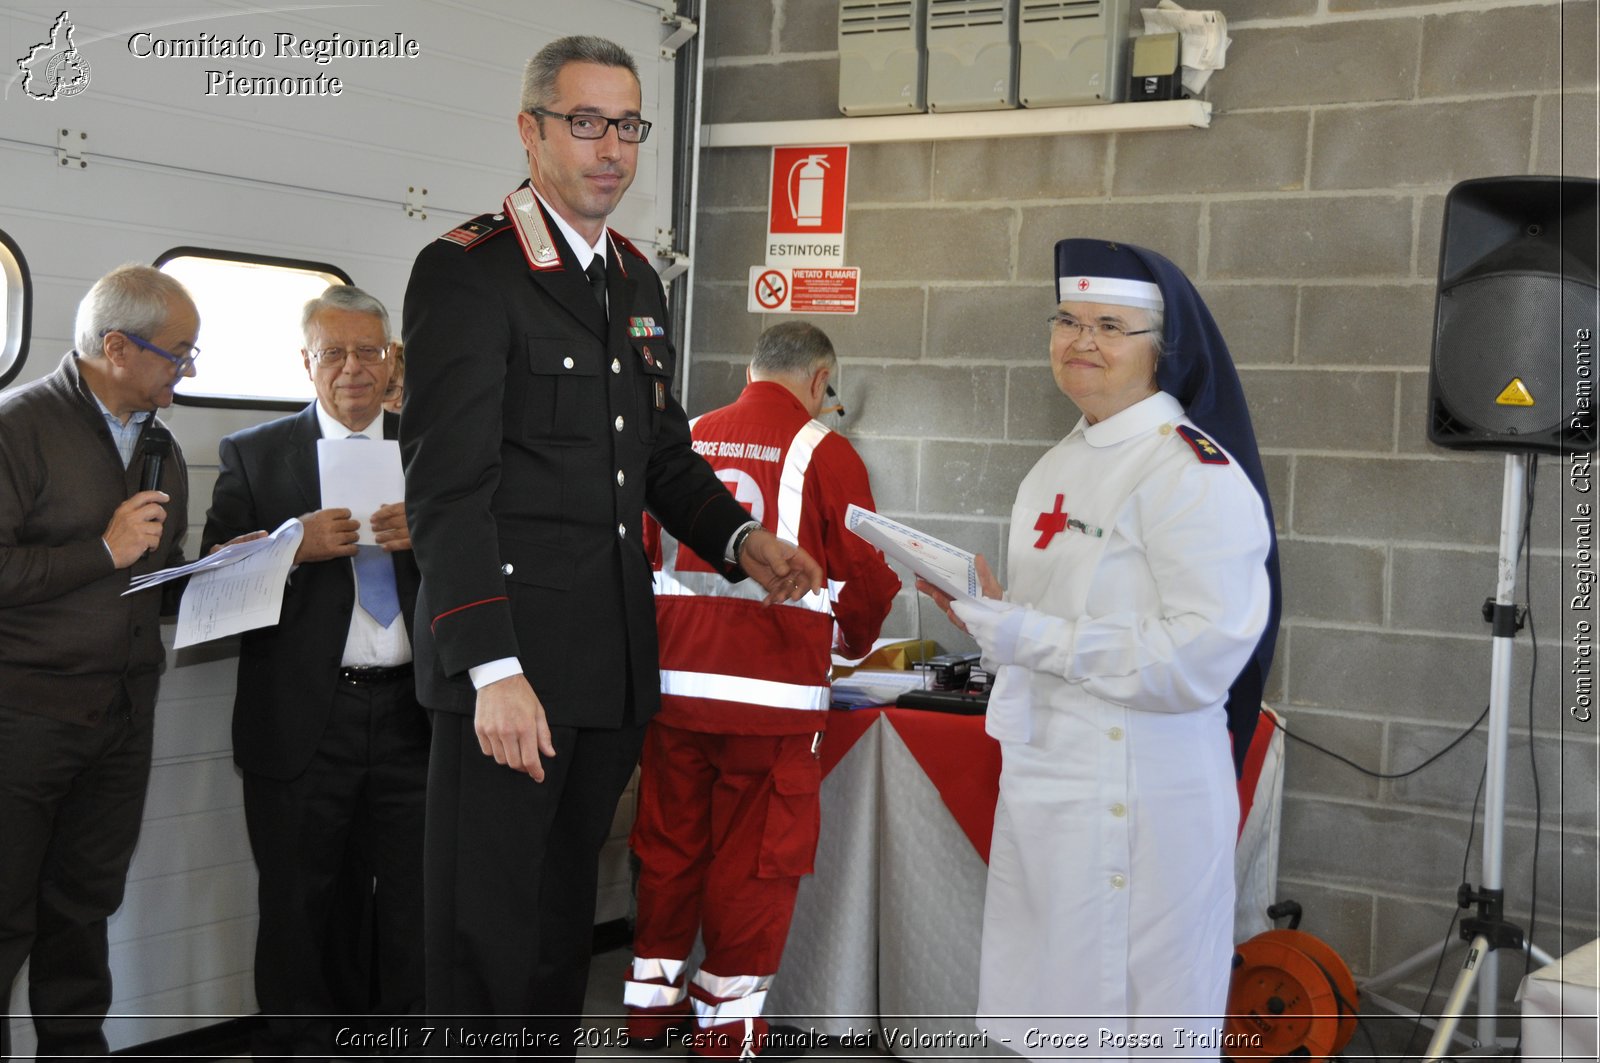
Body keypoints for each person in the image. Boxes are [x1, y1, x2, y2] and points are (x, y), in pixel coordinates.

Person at [398, 35, 822, 1050]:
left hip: (607, 657)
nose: (610, 149)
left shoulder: (634, 280)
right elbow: (447, 491)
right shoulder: (469, 273)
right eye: (584, 123)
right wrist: (491, 665)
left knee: (555, 924)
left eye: (626, 125)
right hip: (508, 665)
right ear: (532, 130)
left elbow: (659, 457)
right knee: (482, 928)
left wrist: (740, 537)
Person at [918, 239, 1282, 1057]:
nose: (1082, 342)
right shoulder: (1056, 463)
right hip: (1048, 789)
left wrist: (1027, 634)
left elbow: (1201, 653)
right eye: (1068, 320)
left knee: (1128, 1027)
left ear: (1161, 350)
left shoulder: (1191, 472)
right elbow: (1070, 619)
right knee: (1043, 1020)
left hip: (1139, 800)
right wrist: (992, 613)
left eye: (1111, 326)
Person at [625, 322, 901, 1058]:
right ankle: (728, 1030)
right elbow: (862, 571)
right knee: (755, 865)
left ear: (753, 371)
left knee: (668, 846)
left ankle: (650, 1010)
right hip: (769, 700)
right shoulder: (825, 451)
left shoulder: (684, 436)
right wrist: (853, 643)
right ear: (819, 381)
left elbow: (643, 551)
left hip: (673, 688)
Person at [200, 285, 427, 1057]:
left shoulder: (433, 449)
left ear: (393, 358)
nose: (353, 369)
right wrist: (290, 547)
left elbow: (493, 566)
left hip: (418, 719)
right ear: (307, 362)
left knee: (412, 910)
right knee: (299, 912)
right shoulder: (255, 455)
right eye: (334, 353)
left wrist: (426, 538)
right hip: (303, 722)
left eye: (369, 351)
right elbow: (209, 589)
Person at [0, 265, 198, 1057]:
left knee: (83, 911)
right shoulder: (17, 429)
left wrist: (225, 569)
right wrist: (101, 550)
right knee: (4, 914)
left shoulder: (160, 442)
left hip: (120, 720)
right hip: (24, 723)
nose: (188, 370)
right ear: (116, 347)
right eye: (178, 353)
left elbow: (153, 570)